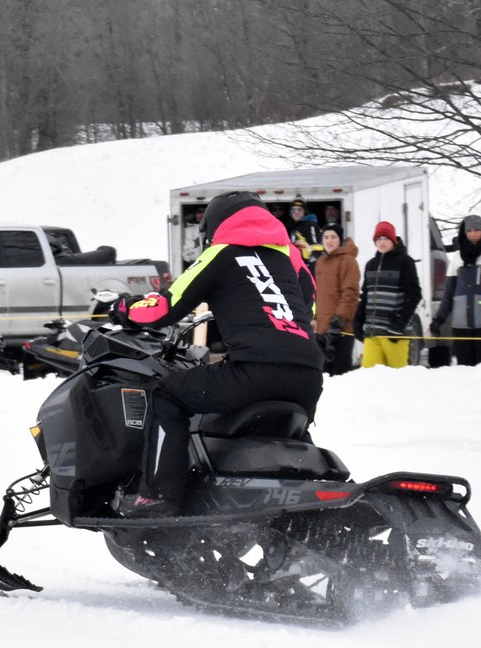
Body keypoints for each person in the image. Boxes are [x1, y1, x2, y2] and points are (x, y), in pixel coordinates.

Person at [113, 190, 325, 517]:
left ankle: (157, 496)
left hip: (254, 370)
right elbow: (307, 306)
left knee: (167, 395)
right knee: (286, 427)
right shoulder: (291, 257)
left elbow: (166, 307)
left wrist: (126, 309)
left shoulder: (221, 253)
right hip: (308, 376)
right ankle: (308, 502)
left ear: (214, 227)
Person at [430, 215, 481, 368]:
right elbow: (449, 293)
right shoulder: (457, 257)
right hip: (461, 326)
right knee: (465, 372)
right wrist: (439, 320)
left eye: (477, 230)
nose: (473, 234)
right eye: (469, 231)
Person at [353, 221, 422, 368]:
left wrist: (400, 323)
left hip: (394, 334)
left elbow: (414, 295)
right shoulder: (371, 265)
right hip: (372, 332)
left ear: (393, 240)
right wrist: (358, 321)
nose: (382, 242)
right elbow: (365, 296)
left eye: (386, 238)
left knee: (396, 378)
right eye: (379, 239)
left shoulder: (405, 262)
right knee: (370, 376)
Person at [314, 223, 360, 375]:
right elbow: (319, 294)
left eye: (333, 237)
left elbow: (350, 293)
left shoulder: (348, 260)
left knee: (340, 376)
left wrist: (339, 320)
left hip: (340, 330)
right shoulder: (321, 262)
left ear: (340, 240)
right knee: (323, 377)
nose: (329, 241)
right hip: (322, 329)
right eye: (326, 237)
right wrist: (315, 318)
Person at [287, 198, 323, 270]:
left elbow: (316, 247)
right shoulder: (294, 227)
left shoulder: (310, 225)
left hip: (307, 266)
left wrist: (311, 265)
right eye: (293, 210)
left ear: (304, 211)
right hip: (298, 265)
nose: (296, 212)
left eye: (299, 210)